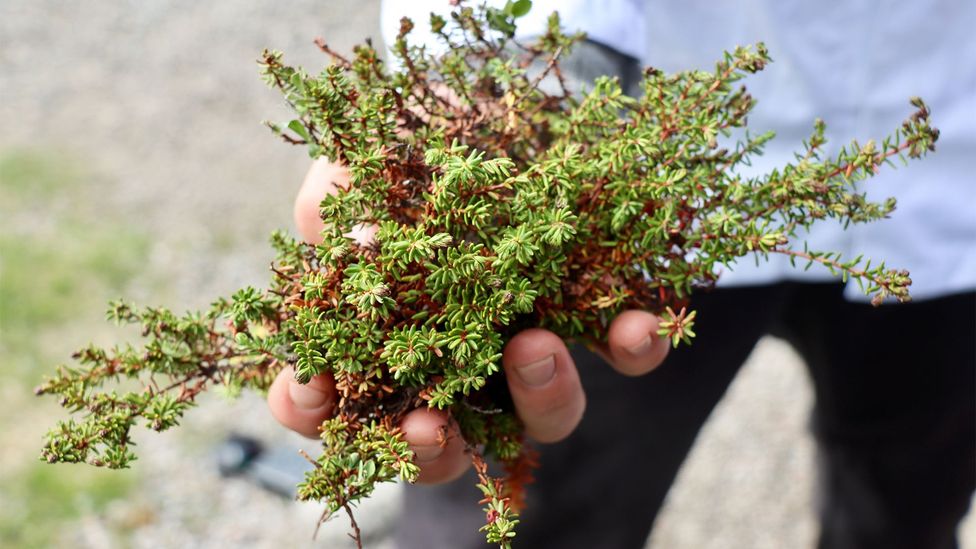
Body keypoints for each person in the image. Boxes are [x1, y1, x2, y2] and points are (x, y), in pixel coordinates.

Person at [268, 1, 976, 547]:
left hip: (948, 161)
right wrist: (505, 77)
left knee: (909, 504)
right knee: (531, 511)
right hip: (635, 192)